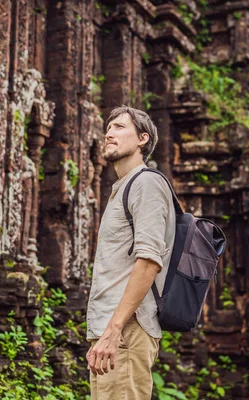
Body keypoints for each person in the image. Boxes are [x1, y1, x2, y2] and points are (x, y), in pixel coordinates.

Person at [86, 105, 176, 399]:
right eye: (108, 128)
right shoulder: (122, 188)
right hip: (112, 332)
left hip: (126, 330)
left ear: (143, 139)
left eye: (120, 127)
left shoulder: (146, 184)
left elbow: (149, 261)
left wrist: (114, 330)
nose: (109, 133)